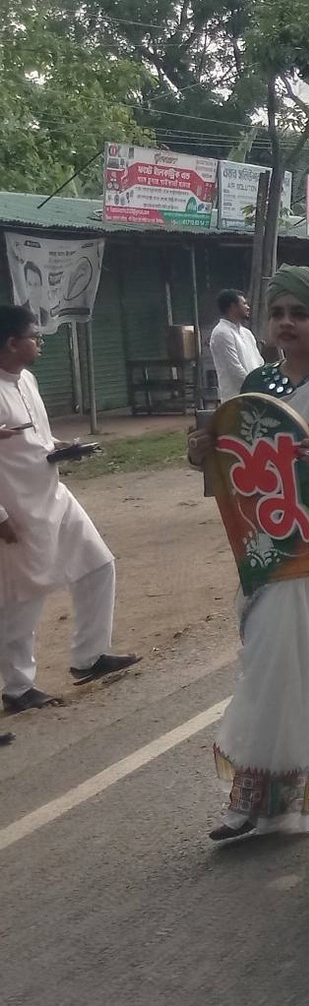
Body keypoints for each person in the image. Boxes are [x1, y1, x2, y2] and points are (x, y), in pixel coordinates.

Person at [190, 267, 309, 842]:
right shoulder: (256, 384)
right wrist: (203, 453)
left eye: (300, 313)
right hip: (273, 552)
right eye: (277, 314)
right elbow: (235, 469)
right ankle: (256, 798)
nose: (287, 323)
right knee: (273, 665)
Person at [0, 305, 140, 713]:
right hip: (17, 510)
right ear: (11, 342)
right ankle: (17, 688)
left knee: (98, 564)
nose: (40, 342)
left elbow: (32, 438)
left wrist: (62, 447)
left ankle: (90, 657)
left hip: (54, 495)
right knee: (23, 597)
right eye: (33, 336)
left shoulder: (26, 379)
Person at [209, 289, 263, 400]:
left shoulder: (246, 333)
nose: (248, 307)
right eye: (244, 304)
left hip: (255, 396)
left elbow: (259, 362)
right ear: (233, 307)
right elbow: (234, 369)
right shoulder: (221, 333)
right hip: (235, 399)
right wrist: (255, 388)